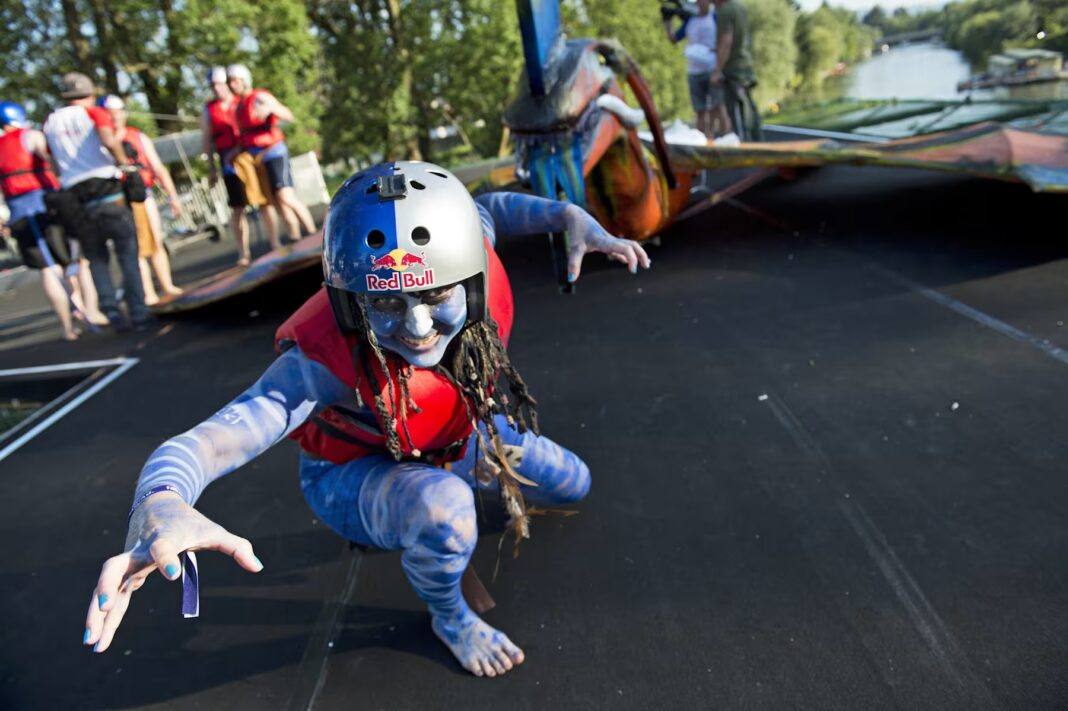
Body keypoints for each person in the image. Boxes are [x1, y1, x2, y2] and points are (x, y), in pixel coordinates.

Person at [83, 161, 651, 677]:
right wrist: (160, 501)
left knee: (575, 480)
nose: (419, 325)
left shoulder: (465, 245)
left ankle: (446, 489)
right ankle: (449, 617)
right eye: (385, 303)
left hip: (455, 436)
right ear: (352, 304)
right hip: (351, 475)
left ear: (472, 280)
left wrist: (567, 215)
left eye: (438, 296)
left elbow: (493, 208)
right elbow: (208, 443)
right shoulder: (319, 363)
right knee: (446, 513)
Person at [42, 73, 150, 330]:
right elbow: (108, 139)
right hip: (107, 189)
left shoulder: (50, 122)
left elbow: (53, 163)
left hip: (75, 198)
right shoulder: (94, 113)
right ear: (89, 93)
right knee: (126, 253)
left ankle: (111, 309)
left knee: (96, 257)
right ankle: (138, 312)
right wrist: (124, 162)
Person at [0, 100, 106, 339]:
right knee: (77, 261)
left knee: (47, 270)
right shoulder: (31, 136)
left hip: (18, 212)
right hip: (47, 205)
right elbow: (52, 160)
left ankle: (67, 328)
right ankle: (92, 312)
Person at [99, 95, 184, 305]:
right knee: (134, 248)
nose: (116, 117)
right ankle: (148, 293)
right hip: (119, 200)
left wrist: (173, 196)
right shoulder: (100, 143)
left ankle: (167, 286)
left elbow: (158, 167)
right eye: (111, 113)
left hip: (141, 195)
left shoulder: (137, 136)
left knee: (155, 240)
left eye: (118, 111)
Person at [227, 64, 316, 247]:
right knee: (274, 201)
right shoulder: (239, 107)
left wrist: (271, 109)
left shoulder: (260, 97)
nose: (231, 85)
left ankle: (313, 233)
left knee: (285, 196)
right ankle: (295, 237)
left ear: (244, 80)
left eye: (235, 80)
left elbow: (288, 115)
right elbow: (244, 136)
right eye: (229, 81)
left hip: (274, 152)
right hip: (256, 158)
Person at [200, 67, 255, 266]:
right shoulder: (209, 110)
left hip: (249, 156)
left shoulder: (241, 101)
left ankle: (277, 242)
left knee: (267, 201)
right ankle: (244, 252)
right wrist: (212, 168)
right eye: (213, 86)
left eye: (220, 84)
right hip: (229, 163)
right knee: (238, 208)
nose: (217, 89)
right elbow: (207, 139)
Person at [664, 0, 731, 139]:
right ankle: (704, 142)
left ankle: (728, 139)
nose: (700, 4)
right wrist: (667, 21)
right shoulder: (690, 20)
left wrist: (719, 68)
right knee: (700, 111)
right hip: (694, 72)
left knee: (717, 107)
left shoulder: (715, 16)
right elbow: (674, 38)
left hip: (712, 69)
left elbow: (726, 39)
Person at [712, 0, 762, 141]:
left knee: (738, 112)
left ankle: (747, 147)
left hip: (734, 68)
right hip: (745, 64)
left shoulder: (725, 11)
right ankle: (757, 144)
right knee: (749, 109)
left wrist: (717, 70)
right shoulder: (740, 7)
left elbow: (726, 41)